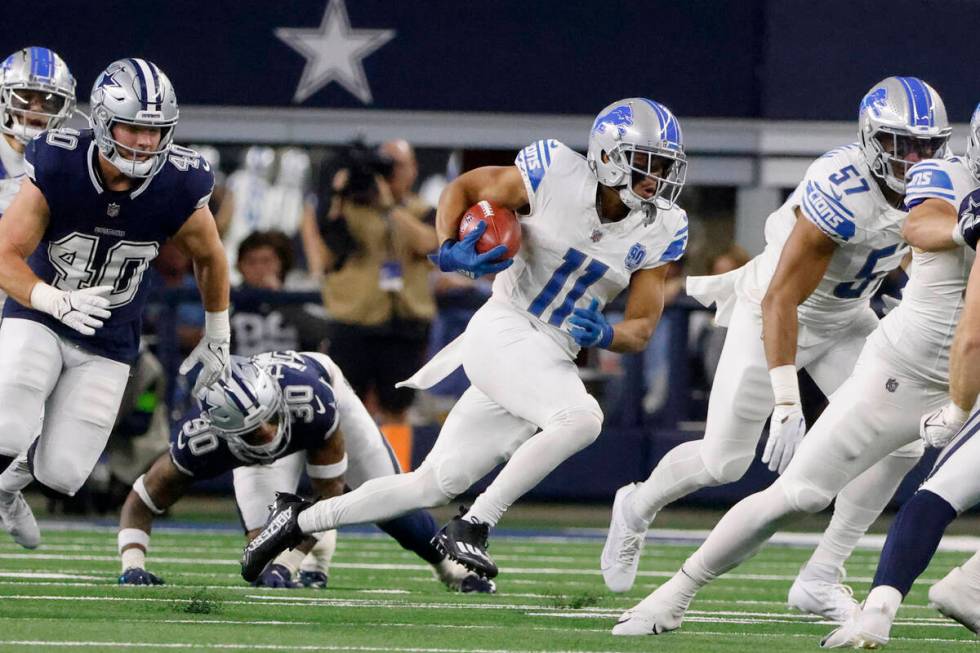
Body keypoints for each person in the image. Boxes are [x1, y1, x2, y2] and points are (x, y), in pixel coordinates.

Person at [241, 97, 689, 582]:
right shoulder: (556, 172)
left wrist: (609, 333)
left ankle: (295, 519)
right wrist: (448, 246)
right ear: (606, 155)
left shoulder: (663, 226)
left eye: (664, 165)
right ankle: (475, 524)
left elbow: (642, 326)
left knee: (433, 484)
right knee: (582, 418)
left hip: (550, 356)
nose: (656, 177)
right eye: (645, 163)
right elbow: (465, 187)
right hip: (506, 326)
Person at [612, 78, 961, 636]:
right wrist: (786, 398)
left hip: (847, 317)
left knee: (905, 444)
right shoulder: (841, 188)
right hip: (773, 311)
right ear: (872, 139)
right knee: (725, 463)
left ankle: (823, 573)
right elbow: (782, 297)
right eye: (902, 144)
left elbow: (897, 250)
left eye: (926, 145)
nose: (915, 158)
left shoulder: (935, 185)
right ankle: (638, 503)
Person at [0, 58, 231, 548]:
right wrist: (52, 300)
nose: (146, 142)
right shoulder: (60, 162)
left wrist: (218, 332)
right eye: (133, 127)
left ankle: (7, 487)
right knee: (8, 421)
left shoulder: (180, 180)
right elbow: (4, 254)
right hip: (40, 311)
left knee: (63, 474)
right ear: (103, 121)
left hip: (110, 335)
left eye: (156, 130)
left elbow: (210, 257)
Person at [118, 351, 494, 593]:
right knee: (261, 557)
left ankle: (450, 568)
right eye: (253, 430)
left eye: (268, 419)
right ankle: (315, 557)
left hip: (324, 388)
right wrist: (132, 564)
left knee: (386, 499)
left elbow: (331, 495)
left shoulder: (308, 402)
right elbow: (142, 499)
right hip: (257, 454)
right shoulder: (201, 441)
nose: (267, 432)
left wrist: (290, 561)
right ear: (225, 431)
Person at [821, 104, 980, 649]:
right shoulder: (955, 192)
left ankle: (882, 610)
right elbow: (971, 334)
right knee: (935, 491)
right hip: (915, 358)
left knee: (938, 493)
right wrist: (959, 408)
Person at [306, 139, 438, 469]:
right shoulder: (345, 209)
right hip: (353, 321)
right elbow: (324, 257)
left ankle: (395, 482)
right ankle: (345, 482)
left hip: (404, 323)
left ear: (413, 169)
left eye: (396, 165)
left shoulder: (421, 210)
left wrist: (389, 207)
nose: (389, 173)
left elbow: (430, 244)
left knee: (397, 408)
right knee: (346, 407)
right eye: (383, 165)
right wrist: (337, 195)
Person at [231, 230, 329, 356]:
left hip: (292, 372)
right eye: (251, 262)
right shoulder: (229, 300)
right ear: (240, 266)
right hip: (243, 372)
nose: (259, 269)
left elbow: (321, 333)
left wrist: (280, 299)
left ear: (281, 264)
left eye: (266, 261)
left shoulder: (301, 294)